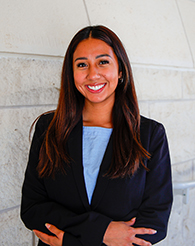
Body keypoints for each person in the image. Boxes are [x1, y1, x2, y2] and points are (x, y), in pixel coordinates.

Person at [20, 25, 173, 246]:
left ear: (120, 71)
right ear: (71, 74)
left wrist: (72, 241)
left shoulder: (150, 135)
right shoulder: (49, 128)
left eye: (103, 62)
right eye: (82, 65)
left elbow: (153, 225)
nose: (93, 74)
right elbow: (32, 209)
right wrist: (102, 232)